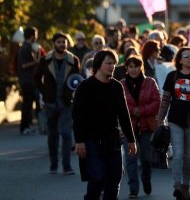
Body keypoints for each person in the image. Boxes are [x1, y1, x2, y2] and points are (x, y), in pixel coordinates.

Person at [72, 50, 136, 200]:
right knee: (98, 177)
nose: (112, 66)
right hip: (91, 140)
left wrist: (131, 139)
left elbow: (124, 114)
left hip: (112, 139)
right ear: (98, 65)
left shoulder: (116, 86)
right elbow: (77, 116)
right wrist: (79, 141)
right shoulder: (85, 87)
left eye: (114, 63)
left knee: (114, 178)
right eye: (108, 63)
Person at [156, 47, 190, 200]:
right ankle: (177, 185)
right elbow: (165, 99)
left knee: (188, 157)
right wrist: (160, 119)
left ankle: (186, 187)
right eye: (186, 56)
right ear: (180, 60)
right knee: (178, 154)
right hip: (175, 120)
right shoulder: (172, 76)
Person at [34, 32, 81, 175]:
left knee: (66, 134)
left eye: (64, 42)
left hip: (66, 102)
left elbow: (76, 80)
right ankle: (53, 164)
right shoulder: (46, 60)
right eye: (59, 42)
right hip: (50, 103)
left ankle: (67, 166)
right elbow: (37, 77)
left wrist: (74, 94)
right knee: (52, 134)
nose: (62, 44)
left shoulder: (73, 60)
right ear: (54, 43)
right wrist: (44, 93)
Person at [120, 55, 161, 198]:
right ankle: (133, 188)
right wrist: (132, 110)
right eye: (131, 67)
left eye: (136, 66)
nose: (134, 70)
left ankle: (146, 179)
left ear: (141, 67)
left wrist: (141, 110)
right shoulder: (122, 84)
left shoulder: (150, 82)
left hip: (147, 125)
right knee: (131, 158)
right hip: (128, 126)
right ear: (127, 68)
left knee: (146, 158)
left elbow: (157, 102)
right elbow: (119, 104)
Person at [17, 27, 41, 135]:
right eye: (35, 34)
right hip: (26, 80)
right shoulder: (24, 48)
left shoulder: (29, 47)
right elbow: (23, 65)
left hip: (30, 80)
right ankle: (24, 127)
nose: (36, 36)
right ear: (32, 35)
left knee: (29, 103)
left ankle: (28, 125)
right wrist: (36, 61)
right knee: (26, 104)